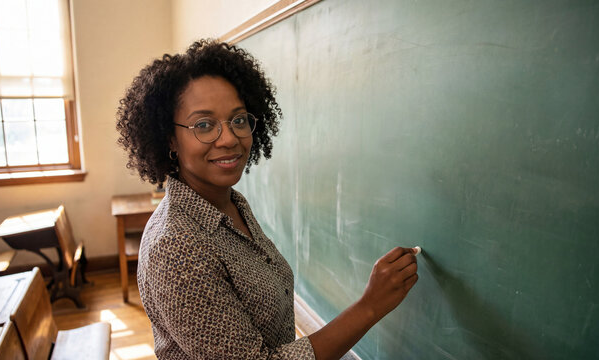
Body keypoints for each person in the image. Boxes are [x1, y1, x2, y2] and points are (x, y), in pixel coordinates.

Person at [116, 39, 418, 360]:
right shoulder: (176, 247)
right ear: (169, 140)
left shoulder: (230, 203)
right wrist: (370, 306)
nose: (230, 138)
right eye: (204, 125)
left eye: (239, 119)